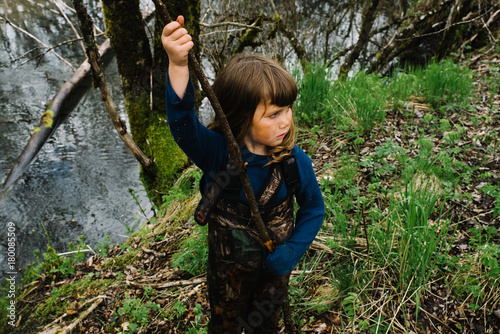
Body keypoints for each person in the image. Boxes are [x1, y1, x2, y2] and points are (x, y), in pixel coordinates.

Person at [162, 15, 325, 334]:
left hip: (274, 272)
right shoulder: (217, 153)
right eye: (273, 114)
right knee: (225, 324)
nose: (285, 121)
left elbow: (313, 209)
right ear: (238, 115)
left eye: (288, 109)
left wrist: (291, 252)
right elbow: (182, 123)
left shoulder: (293, 162)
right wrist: (179, 64)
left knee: (265, 324)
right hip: (227, 275)